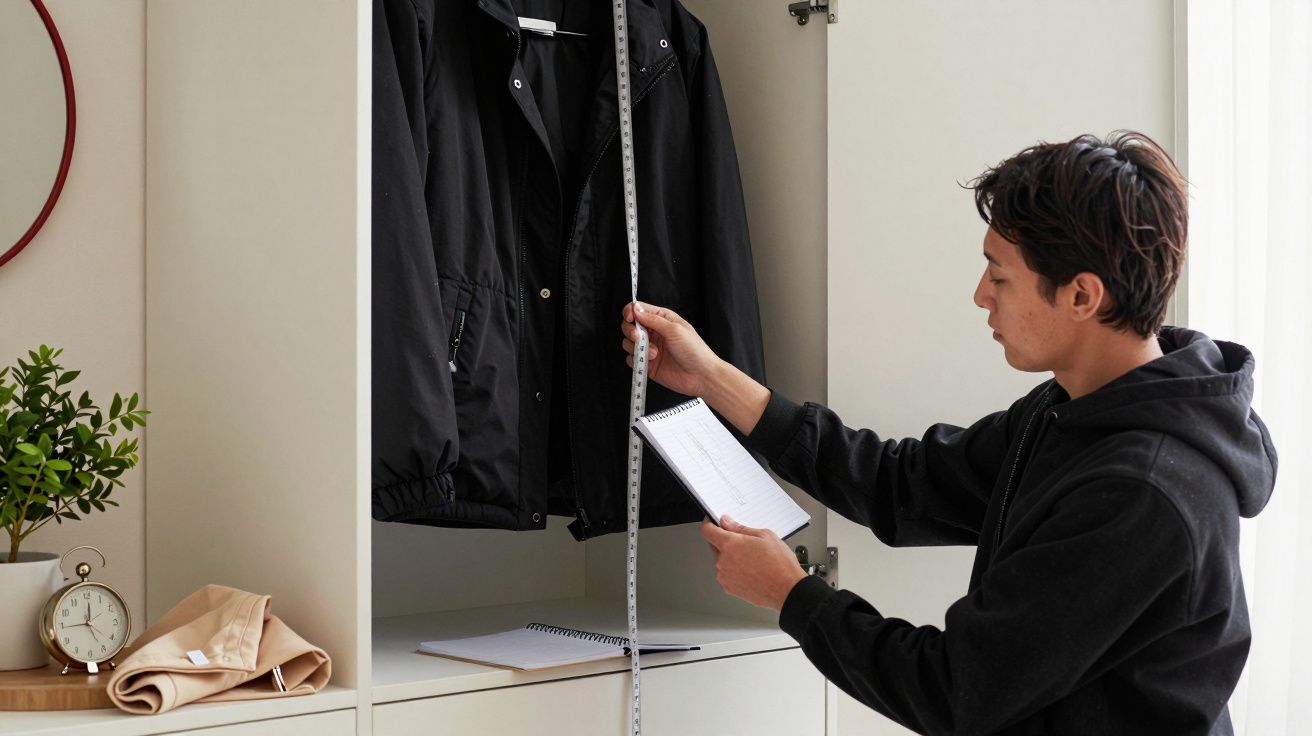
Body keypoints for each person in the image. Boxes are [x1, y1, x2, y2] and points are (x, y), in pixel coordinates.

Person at [619, 131, 1276, 735]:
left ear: (1082, 296)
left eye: (1000, 275)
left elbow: (958, 689)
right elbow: (901, 484)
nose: (980, 295)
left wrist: (792, 595)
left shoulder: (1142, 493)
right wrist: (711, 378)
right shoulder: (1070, 408)